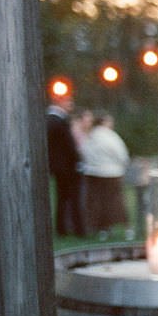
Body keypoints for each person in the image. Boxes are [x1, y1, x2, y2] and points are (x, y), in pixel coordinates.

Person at [79, 111, 130, 239]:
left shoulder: (90, 137)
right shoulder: (111, 136)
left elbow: (84, 153)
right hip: (111, 173)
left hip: (93, 173)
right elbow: (122, 154)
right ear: (104, 122)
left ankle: (103, 229)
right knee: (115, 202)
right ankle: (126, 227)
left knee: (99, 202)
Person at [45, 90, 85, 236]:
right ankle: (76, 229)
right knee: (71, 198)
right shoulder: (57, 120)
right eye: (68, 101)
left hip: (59, 167)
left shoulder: (51, 120)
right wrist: (77, 160)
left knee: (62, 199)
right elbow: (68, 145)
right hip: (67, 167)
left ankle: (62, 228)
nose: (71, 104)